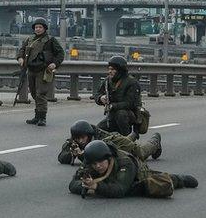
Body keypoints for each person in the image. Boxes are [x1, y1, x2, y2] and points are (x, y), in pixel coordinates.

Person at [69, 140, 198, 199]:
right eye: (94, 164)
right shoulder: (90, 162)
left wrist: (95, 186)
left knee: (154, 184)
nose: (97, 166)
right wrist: (85, 185)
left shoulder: (125, 163)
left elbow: (120, 190)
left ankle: (179, 179)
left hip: (137, 175)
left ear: (108, 158)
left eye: (101, 162)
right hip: (110, 182)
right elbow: (72, 184)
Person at [15, 17, 64, 126]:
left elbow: (60, 53)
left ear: (44, 28)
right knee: (34, 93)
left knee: (40, 94)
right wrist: (20, 58)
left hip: (44, 70)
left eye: (40, 27)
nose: (38, 29)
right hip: (31, 69)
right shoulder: (30, 39)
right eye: (36, 27)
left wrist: (55, 64)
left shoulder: (50, 40)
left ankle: (42, 118)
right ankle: (37, 116)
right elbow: (22, 50)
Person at [58, 120, 161, 165]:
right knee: (128, 139)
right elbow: (61, 157)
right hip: (116, 140)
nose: (80, 141)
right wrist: (71, 153)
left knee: (140, 153)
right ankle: (133, 135)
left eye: (83, 138)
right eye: (77, 138)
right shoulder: (74, 140)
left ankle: (155, 141)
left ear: (88, 135)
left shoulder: (101, 139)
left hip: (116, 142)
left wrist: (81, 155)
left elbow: (99, 157)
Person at [93, 55, 142, 136]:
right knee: (98, 131)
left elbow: (130, 103)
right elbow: (97, 94)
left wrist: (113, 106)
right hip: (112, 116)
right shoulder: (107, 81)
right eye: (109, 69)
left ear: (120, 70)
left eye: (112, 69)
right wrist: (101, 98)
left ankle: (127, 140)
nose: (110, 71)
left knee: (121, 114)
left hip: (128, 115)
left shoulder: (132, 83)